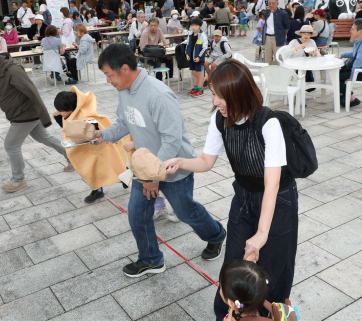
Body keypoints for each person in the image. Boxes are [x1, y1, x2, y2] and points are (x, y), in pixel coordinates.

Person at [164, 60, 295, 320]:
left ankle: (274, 315)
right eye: (213, 94)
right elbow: (206, 161)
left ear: (237, 93)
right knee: (233, 263)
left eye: (218, 96)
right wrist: (181, 162)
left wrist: (261, 233)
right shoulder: (220, 119)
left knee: (274, 268)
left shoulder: (268, 122)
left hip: (278, 200)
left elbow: (272, 184)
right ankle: (225, 315)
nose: (215, 101)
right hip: (244, 197)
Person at [94, 44, 226, 278]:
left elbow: (172, 141)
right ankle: (151, 260)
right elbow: (124, 123)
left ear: (124, 69)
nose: (108, 81)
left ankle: (216, 235)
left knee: (186, 213)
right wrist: (102, 135)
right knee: (137, 214)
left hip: (175, 167)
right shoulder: (124, 91)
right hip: (144, 167)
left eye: (108, 75)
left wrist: (154, 177)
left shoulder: (158, 94)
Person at [0, 44, 73, 193]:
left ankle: (18, 180)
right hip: (16, 114)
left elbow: (33, 93)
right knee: (44, 138)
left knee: (11, 145)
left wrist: (44, 117)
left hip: (25, 113)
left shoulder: (13, 71)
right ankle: (73, 158)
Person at [52, 89, 130, 203]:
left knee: (105, 167)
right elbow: (68, 129)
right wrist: (60, 118)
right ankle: (101, 188)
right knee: (93, 170)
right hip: (86, 150)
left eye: (60, 110)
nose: (58, 112)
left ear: (69, 109)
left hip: (99, 148)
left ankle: (116, 181)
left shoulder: (85, 115)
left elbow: (93, 131)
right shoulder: (71, 114)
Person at [338, 18, 362, 107]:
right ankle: (346, 95)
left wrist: (353, 76)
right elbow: (354, 53)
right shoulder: (359, 40)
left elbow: (359, 61)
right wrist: (342, 55)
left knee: (337, 77)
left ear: (360, 31)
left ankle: (350, 97)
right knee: (338, 72)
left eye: (352, 29)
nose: (350, 31)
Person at [139, 17, 173, 81]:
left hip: (156, 53)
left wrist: (168, 52)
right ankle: (159, 81)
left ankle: (170, 78)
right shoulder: (145, 33)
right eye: (151, 25)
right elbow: (144, 48)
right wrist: (153, 55)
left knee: (169, 59)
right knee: (157, 62)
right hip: (145, 55)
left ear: (157, 26)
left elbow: (164, 42)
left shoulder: (159, 30)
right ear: (148, 25)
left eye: (155, 25)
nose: (153, 27)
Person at [262, 0, 290, 65]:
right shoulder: (267, 13)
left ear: (277, 4)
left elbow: (287, 27)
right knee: (267, 58)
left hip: (278, 38)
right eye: (269, 3)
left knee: (278, 58)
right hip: (268, 38)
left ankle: (279, 73)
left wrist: (282, 35)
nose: (271, 5)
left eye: (273, 3)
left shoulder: (283, 14)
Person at [186, 18, 208, 97]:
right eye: (192, 25)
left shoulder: (202, 35)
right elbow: (188, 45)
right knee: (194, 73)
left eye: (196, 25)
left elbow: (204, 47)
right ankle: (195, 88)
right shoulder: (190, 34)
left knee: (199, 74)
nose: (194, 27)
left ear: (200, 26)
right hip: (192, 57)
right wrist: (187, 54)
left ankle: (200, 89)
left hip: (199, 58)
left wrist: (199, 56)